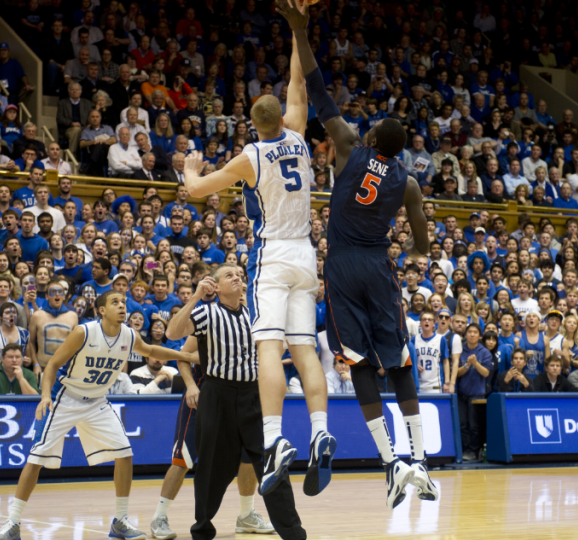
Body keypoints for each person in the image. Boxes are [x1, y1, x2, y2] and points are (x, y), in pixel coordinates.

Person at [278, 0, 438, 509]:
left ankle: (390, 462)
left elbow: (318, 86)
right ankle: (419, 459)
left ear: (371, 139)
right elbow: (422, 245)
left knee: (360, 362)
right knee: (399, 360)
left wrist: (300, 29)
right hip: (378, 265)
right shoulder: (409, 184)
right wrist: (409, 252)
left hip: (343, 266)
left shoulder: (347, 143)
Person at [181, 4, 336, 500]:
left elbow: (198, 191)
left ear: (252, 122)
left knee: (267, 345)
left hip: (271, 255)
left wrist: (188, 166)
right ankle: (319, 430)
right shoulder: (299, 136)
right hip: (307, 254)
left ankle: (273, 440)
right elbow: (299, 83)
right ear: (283, 118)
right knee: (305, 348)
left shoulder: (250, 156)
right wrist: (297, 29)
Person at [0, 291, 196, 540]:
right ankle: (12, 523)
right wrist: (44, 396)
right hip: (64, 397)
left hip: (96, 400)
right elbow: (53, 364)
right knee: (36, 457)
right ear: (101, 310)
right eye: (115, 303)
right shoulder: (83, 332)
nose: (122, 306)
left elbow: (151, 349)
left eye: (123, 302)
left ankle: (120, 520)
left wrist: (185, 356)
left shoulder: (129, 335)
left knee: (125, 453)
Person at [164, 264, 316, 540]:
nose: (237, 278)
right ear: (216, 287)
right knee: (210, 469)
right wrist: (196, 296)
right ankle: (202, 532)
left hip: (253, 397)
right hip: (217, 394)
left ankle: (296, 538)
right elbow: (172, 332)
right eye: (229, 275)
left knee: (273, 468)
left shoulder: (257, 316)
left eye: (239, 275)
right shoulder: (207, 313)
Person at [149, 337, 274, 540]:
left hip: (240, 399)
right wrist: (190, 385)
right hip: (201, 396)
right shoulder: (206, 319)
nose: (242, 301)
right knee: (183, 459)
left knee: (248, 456)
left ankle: (246, 515)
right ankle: (159, 517)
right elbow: (183, 357)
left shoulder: (253, 323)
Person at [27, 279, 79, 382]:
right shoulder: (37, 316)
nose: (57, 295)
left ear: (64, 296)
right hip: (42, 368)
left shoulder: (72, 316)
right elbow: (30, 342)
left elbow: (75, 345)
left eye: (60, 292)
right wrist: (35, 364)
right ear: (47, 296)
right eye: (53, 292)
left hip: (65, 370)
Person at [456, 323, 492, 460]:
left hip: (477, 394)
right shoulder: (460, 350)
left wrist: (475, 363)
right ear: (465, 335)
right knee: (463, 424)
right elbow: (457, 373)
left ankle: (474, 451)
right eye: (469, 332)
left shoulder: (484, 352)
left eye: (475, 332)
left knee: (474, 425)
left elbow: (486, 373)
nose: (472, 334)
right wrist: (467, 364)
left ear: (479, 335)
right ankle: (465, 450)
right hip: (461, 394)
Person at [413, 311, 450, 393]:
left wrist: (447, 382)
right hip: (418, 384)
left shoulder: (441, 339)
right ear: (420, 323)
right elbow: (409, 360)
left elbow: (445, 361)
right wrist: (415, 366)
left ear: (434, 323)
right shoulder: (414, 339)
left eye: (429, 320)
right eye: (424, 319)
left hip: (435, 384)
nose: (427, 321)